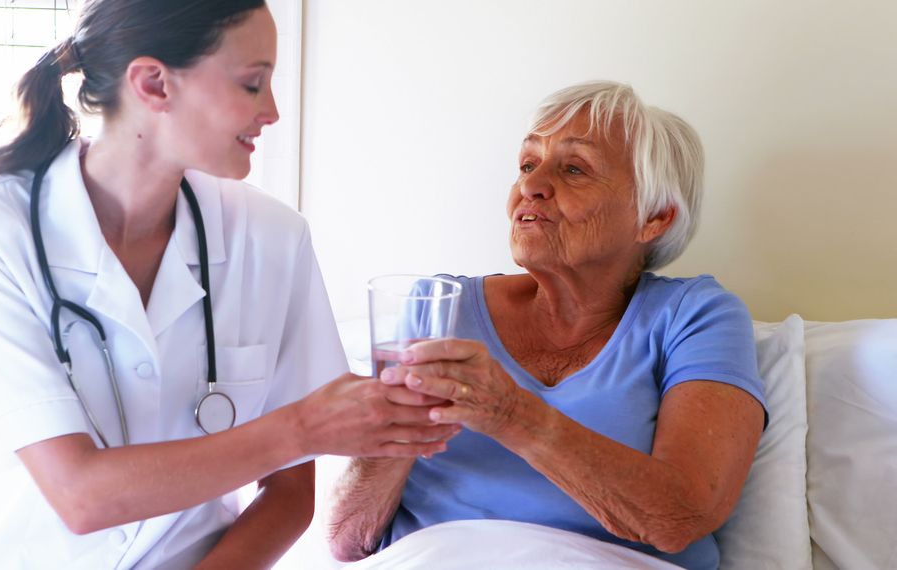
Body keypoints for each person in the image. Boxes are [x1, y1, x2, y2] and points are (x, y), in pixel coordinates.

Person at [0, 1, 458, 568]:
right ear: (154, 84)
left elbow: (289, 496)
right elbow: (81, 496)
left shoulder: (273, 239)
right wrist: (303, 428)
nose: (274, 111)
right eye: (253, 83)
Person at [326, 81, 767, 570]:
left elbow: (680, 517)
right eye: (527, 164)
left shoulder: (695, 316)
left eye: (574, 168)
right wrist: (391, 430)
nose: (531, 186)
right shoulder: (440, 307)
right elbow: (349, 543)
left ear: (655, 217)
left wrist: (511, 413)